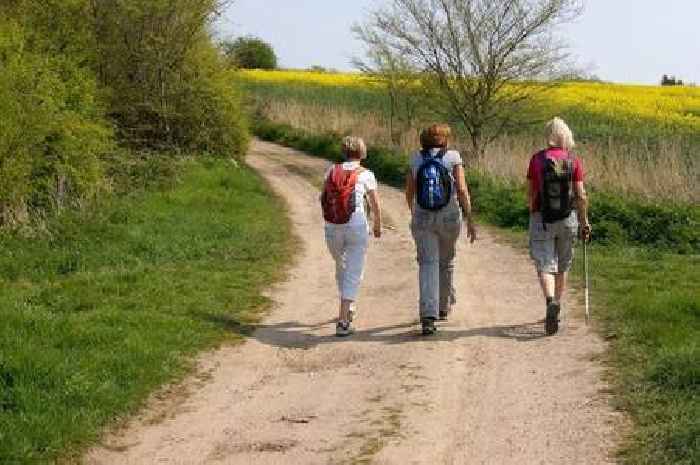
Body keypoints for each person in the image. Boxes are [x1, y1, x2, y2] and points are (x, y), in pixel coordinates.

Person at [405, 124, 477, 336]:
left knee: (428, 263)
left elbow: (409, 192)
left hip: (423, 217)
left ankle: (428, 315)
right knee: (446, 262)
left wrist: (415, 213)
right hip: (449, 216)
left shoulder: (415, 159)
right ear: (444, 139)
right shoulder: (453, 157)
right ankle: (443, 307)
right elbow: (462, 190)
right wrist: (470, 218)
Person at [527, 117, 592, 335]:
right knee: (562, 265)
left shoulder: (536, 160)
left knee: (545, 263)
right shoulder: (573, 161)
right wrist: (584, 221)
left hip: (542, 218)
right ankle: (557, 306)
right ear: (566, 136)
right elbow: (581, 195)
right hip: (568, 218)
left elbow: (531, 193)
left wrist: (532, 211)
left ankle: (550, 302)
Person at [322, 136, 382, 337]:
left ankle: (348, 307)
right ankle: (343, 321)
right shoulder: (366, 174)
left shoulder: (331, 171)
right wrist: (377, 225)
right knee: (354, 271)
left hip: (332, 226)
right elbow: (374, 204)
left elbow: (323, 197)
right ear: (362, 153)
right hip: (356, 225)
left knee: (342, 266)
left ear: (343, 152)